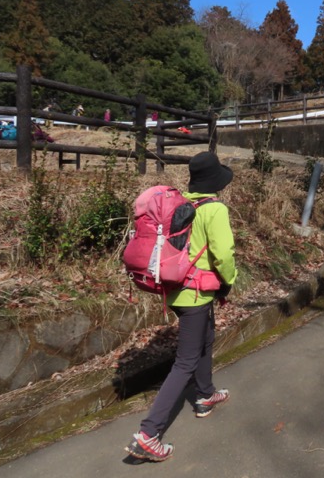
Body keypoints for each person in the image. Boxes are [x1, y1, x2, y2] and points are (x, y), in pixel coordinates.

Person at [125, 151, 237, 462]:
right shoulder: (214, 209)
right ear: (217, 182)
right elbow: (223, 254)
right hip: (197, 293)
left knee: (206, 340)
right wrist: (229, 281)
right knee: (186, 360)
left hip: (175, 290)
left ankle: (205, 395)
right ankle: (149, 434)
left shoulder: (182, 203)